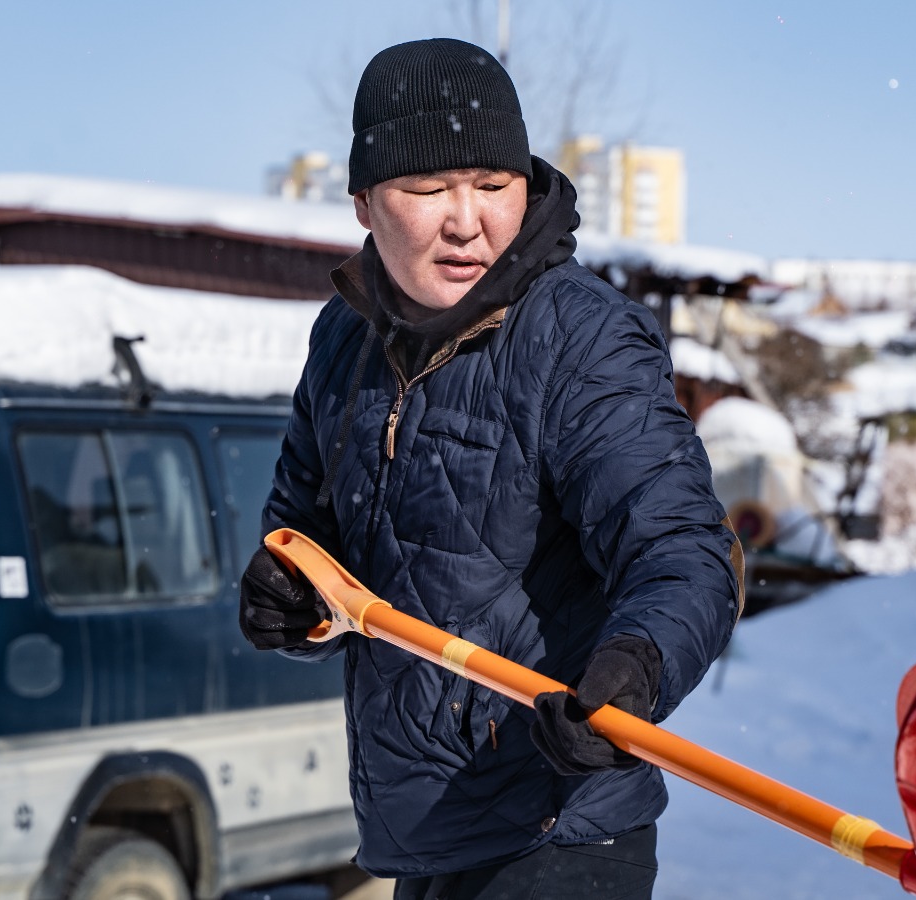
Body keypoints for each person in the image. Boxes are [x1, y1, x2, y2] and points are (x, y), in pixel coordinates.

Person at [240, 37, 742, 900]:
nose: (466, 219)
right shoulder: (342, 340)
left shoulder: (580, 342)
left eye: (494, 186)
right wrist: (293, 596)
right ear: (363, 203)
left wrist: (636, 669)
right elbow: (307, 530)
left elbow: (683, 549)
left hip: (563, 823)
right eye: (428, 190)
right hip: (424, 829)